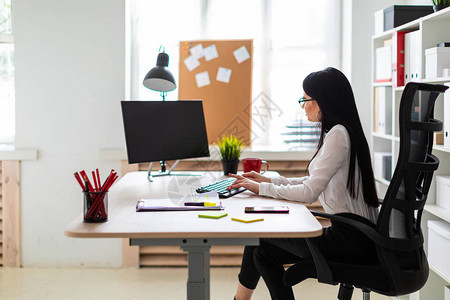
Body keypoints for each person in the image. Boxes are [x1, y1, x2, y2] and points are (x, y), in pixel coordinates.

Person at [228, 67, 380, 300]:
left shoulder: (339, 135)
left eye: (305, 99)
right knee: (262, 250)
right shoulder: (342, 132)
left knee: (260, 242)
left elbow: (309, 193)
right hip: (357, 236)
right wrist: (269, 180)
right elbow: (312, 181)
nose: (303, 106)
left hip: (352, 240)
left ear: (321, 102)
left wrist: (261, 188)